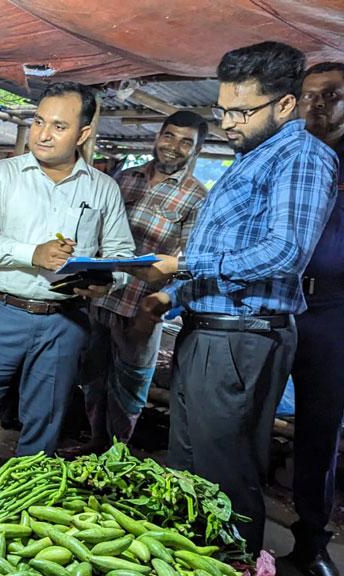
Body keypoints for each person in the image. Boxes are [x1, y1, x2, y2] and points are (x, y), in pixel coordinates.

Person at [133, 42, 339, 555]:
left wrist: (182, 266)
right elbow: (231, 250)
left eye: (241, 111)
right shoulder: (255, 156)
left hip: (243, 340)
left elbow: (285, 252)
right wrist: (175, 297)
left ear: (284, 105)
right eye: (223, 108)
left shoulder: (303, 157)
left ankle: (234, 563)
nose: (227, 122)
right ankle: (187, 560)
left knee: (224, 475)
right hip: (213, 332)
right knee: (186, 464)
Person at [0, 82, 135, 459]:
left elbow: (121, 255)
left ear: (82, 134)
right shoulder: (4, 175)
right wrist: (33, 253)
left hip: (65, 322)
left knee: (43, 429)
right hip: (1, 314)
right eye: (37, 122)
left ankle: (20, 507)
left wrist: (106, 283)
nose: (43, 134)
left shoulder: (103, 189)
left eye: (58, 126)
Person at [70, 111, 210, 455]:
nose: (173, 146)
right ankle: (95, 444)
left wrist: (158, 304)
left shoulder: (197, 197)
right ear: (158, 136)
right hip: (101, 298)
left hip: (141, 307)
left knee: (130, 386)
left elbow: (188, 262)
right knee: (92, 377)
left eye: (185, 142)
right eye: (169, 135)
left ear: (197, 150)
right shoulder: (126, 178)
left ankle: (117, 456)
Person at [285, 61, 344, 576]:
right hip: (278, 300)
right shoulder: (284, 157)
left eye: (331, 95)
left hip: (332, 311)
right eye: (308, 95)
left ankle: (312, 540)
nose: (316, 104)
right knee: (244, 413)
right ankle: (232, 518)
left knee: (320, 429)